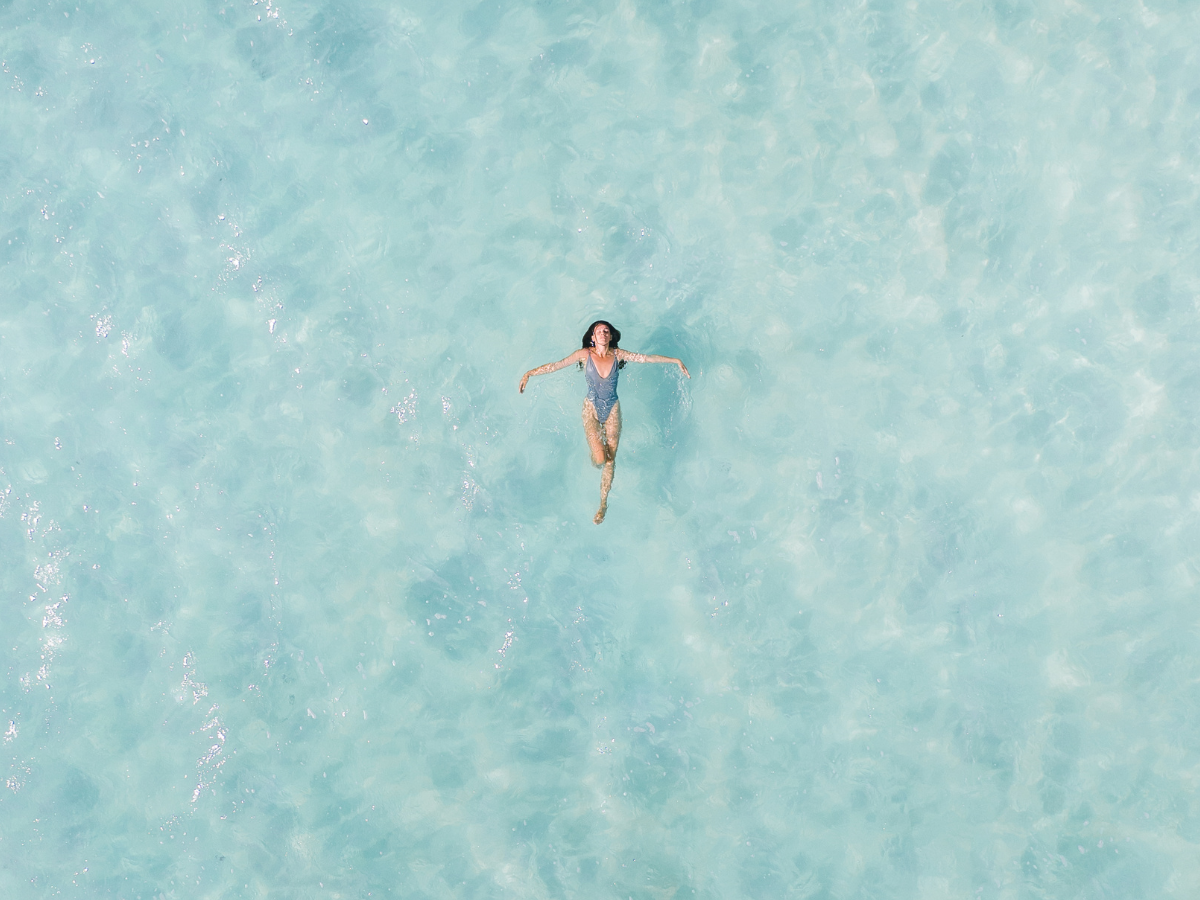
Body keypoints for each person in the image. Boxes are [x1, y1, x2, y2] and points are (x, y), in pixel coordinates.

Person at [519, 321, 689, 523]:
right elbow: (556, 365)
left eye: (606, 331)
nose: (603, 333)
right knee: (600, 459)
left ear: (610, 336)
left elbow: (646, 358)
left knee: (610, 459)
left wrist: (675, 360)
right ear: (593, 337)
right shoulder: (584, 355)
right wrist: (529, 373)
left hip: (612, 410)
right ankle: (594, 456)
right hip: (591, 409)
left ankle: (603, 503)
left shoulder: (618, 355)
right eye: (599, 331)